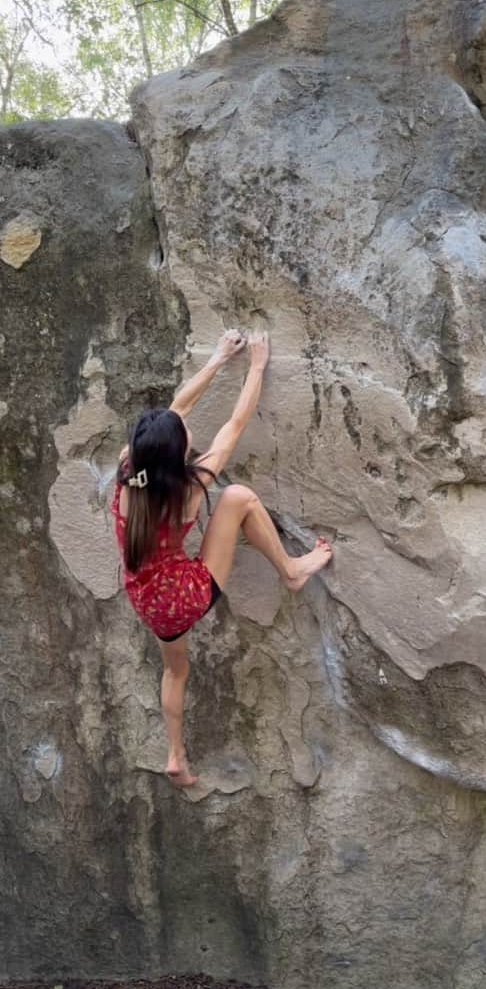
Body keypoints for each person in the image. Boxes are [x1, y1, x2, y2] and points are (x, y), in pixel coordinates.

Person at [109, 328, 333, 789]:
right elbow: (234, 425)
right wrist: (254, 365)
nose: (187, 425)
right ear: (176, 457)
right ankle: (291, 570)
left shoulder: (130, 470)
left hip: (148, 603)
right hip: (187, 595)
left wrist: (214, 359)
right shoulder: (190, 490)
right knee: (238, 497)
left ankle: (176, 755)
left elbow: (177, 410)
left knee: (176, 668)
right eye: (184, 435)